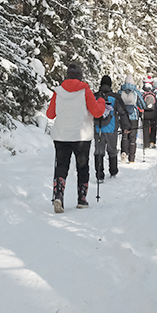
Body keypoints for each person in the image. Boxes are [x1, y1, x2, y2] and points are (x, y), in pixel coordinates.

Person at [46, 63, 106, 213]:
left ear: (67, 76)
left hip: (61, 135)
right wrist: (101, 101)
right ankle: (82, 199)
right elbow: (97, 112)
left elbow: (50, 114)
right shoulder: (85, 91)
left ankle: (58, 196)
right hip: (81, 136)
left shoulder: (58, 92)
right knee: (82, 167)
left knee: (61, 166)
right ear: (80, 76)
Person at [93, 75, 119, 180]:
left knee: (99, 150)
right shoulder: (115, 97)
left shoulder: (95, 96)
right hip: (111, 128)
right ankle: (113, 171)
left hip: (98, 127)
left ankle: (99, 175)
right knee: (112, 150)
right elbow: (122, 112)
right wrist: (127, 126)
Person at [115, 74, 143, 163]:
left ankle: (124, 153)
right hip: (134, 116)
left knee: (124, 135)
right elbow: (143, 104)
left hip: (123, 117)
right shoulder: (136, 92)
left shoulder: (120, 92)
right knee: (132, 137)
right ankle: (131, 158)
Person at [140, 80, 157, 150]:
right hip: (153, 112)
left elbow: (140, 102)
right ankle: (152, 142)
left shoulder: (142, 92)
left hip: (145, 112)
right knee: (153, 126)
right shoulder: (154, 91)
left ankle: (146, 144)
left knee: (145, 127)